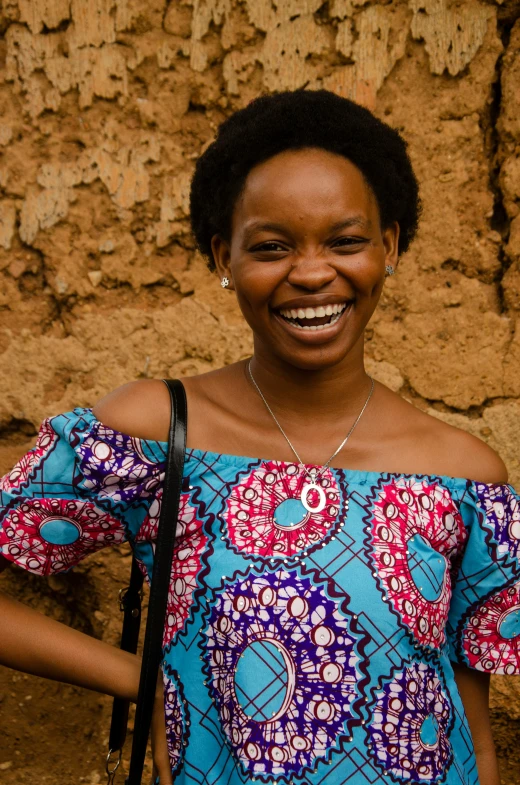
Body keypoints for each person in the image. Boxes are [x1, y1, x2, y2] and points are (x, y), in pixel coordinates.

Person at [0, 89, 518, 785]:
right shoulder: (154, 433)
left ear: (389, 245)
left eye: (345, 240)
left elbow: (473, 733)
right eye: (272, 246)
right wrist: (145, 678)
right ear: (224, 256)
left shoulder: (464, 476)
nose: (310, 272)